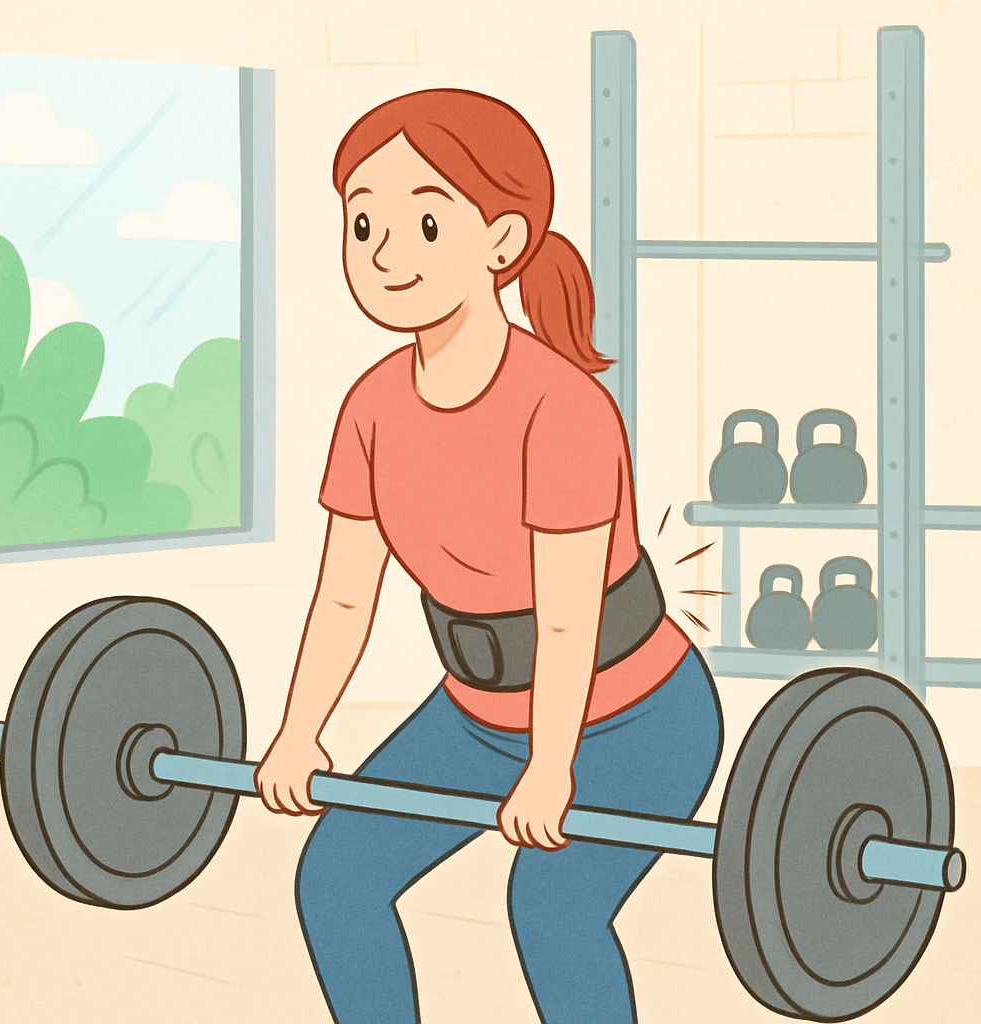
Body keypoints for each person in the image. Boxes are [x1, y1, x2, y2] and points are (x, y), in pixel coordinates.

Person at [255, 88, 723, 1024]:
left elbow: (565, 615)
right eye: (361, 222)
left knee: (550, 906)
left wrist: (553, 769)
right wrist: (298, 732)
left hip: (636, 721)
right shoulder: (373, 407)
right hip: (476, 717)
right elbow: (345, 598)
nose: (384, 252)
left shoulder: (563, 411)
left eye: (424, 222)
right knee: (338, 878)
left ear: (503, 241)